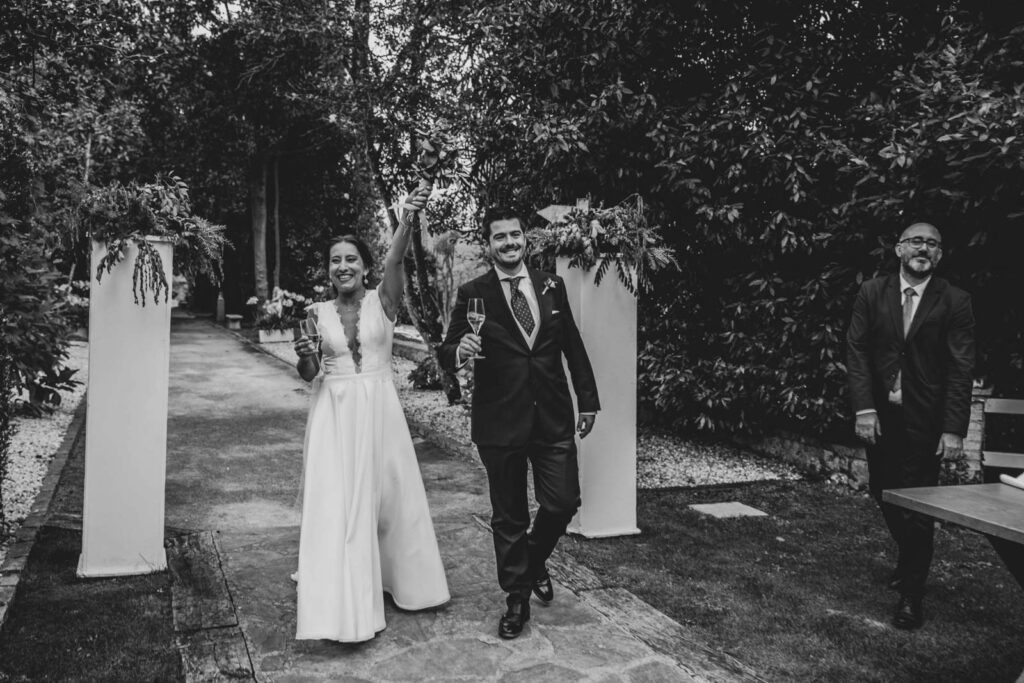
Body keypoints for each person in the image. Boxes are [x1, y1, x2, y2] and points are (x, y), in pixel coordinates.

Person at [292, 187, 449, 643]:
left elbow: (396, 260)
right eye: (335, 261)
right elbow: (310, 373)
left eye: (351, 259)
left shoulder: (384, 301)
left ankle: (405, 580)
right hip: (335, 416)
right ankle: (348, 592)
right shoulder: (315, 313)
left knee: (393, 498)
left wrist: (408, 217)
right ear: (328, 269)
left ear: (364, 266)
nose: (343, 266)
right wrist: (304, 355)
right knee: (340, 504)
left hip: (381, 412)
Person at [437, 206, 600, 639]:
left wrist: (588, 400)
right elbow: (446, 350)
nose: (509, 243)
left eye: (515, 235)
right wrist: (460, 351)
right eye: (500, 237)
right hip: (500, 421)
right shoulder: (474, 292)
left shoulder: (551, 285)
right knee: (509, 515)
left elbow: (572, 346)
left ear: (524, 238)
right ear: (488, 244)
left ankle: (529, 561)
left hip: (552, 416)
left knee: (563, 502)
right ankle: (516, 599)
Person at [846, 221, 975, 630]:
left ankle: (911, 595)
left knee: (917, 508)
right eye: (916, 241)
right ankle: (910, 559)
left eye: (932, 244)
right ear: (899, 249)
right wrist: (864, 409)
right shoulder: (872, 292)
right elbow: (857, 351)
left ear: (940, 255)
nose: (924, 248)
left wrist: (953, 428)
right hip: (881, 417)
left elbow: (961, 367)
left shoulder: (955, 300)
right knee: (883, 493)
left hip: (926, 421)